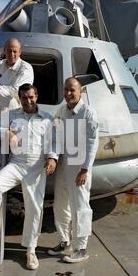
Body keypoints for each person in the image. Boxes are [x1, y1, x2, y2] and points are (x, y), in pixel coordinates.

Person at [0, 83, 58, 270]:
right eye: (24, 98)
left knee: (34, 209)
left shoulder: (46, 119)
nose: (28, 101)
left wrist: (52, 158)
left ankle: (31, 251)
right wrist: (6, 131)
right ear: (20, 99)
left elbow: (53, 142)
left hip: (36, 167)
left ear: (37, 97)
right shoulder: (12, 115)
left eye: (31, 97)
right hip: (16, 163)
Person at [47, 77, 99, 263]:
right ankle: (64, 241)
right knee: (60, 205)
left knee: (80, 207)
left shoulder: (88, 113)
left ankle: (81, 248)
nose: (68, 94)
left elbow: (93, 142)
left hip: (79, 165)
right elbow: (55, 137)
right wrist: (53, 157)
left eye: (72, 90)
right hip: (64, 163)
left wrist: (85, 169)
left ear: (81, 92)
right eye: (66, 90)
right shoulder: (62, 111)